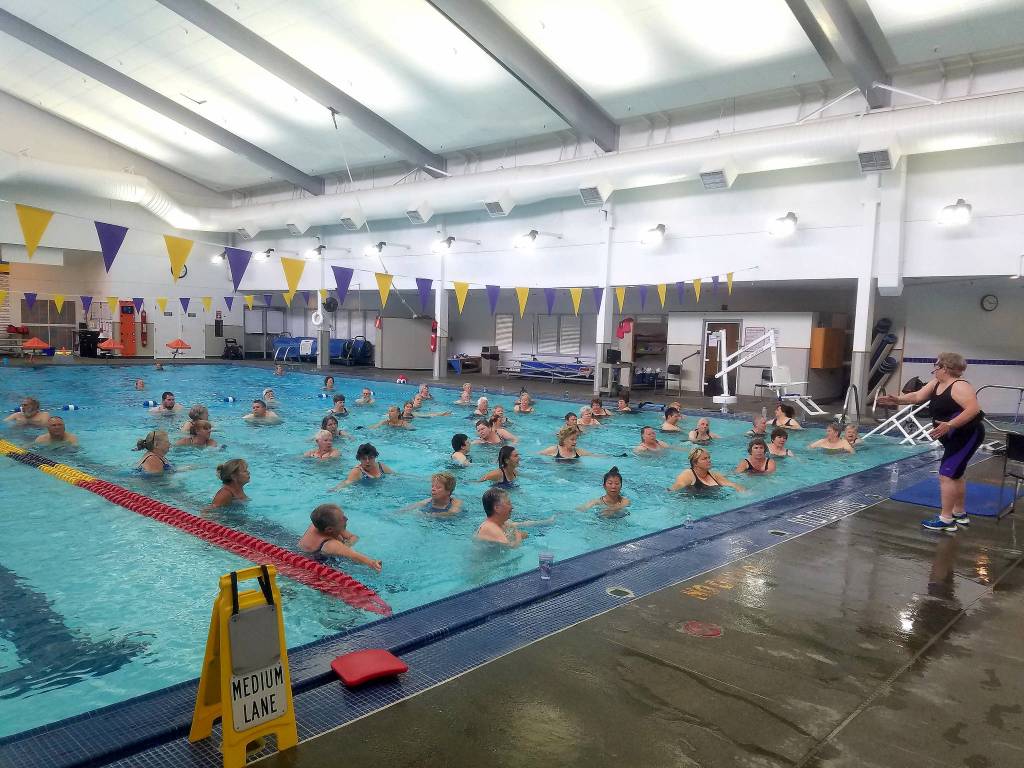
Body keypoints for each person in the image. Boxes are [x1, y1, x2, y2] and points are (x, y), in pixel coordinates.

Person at [877, 352, 985, 532]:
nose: (934, 369)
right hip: (953, 435)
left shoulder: (960, 386)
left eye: (936, 365)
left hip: (966, 434)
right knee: (955, 474)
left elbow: (973, 409)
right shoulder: (937, 383)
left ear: (945, 368)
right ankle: (959, 514)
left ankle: (946, 520)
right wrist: (897, 399)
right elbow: (917, 397)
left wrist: (949, 425)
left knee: (946, 475)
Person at [298, 503, 381, 572]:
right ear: (329, 529)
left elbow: (353, 537)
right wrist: (373, 563)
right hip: (318, 563)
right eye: (342, 518)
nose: (346, 518)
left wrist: (344, 544)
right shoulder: (330, 545)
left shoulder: (319, 525)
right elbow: (354, 555)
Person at [670, 447, 744, 492]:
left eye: (709, 458)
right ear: (695, 463)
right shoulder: (688, 474)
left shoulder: (714, 475)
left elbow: (733, 485)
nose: (709, 460)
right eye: (704, 459)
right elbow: (675, 488)